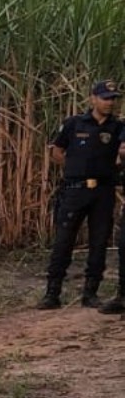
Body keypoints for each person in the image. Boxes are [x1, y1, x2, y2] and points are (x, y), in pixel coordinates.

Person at [38, 80, 125, 310]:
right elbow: (57, 151)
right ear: (93, 98)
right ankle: (52, 293)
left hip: (103, 191)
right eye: (105, 98)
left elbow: (121, 153)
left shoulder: (117, 127)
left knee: (99, 242)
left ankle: (91, 293)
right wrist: (75, 168)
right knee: (63, 241)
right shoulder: (74, 124)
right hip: (75, 190)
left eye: (113, 98)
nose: (109, 103)